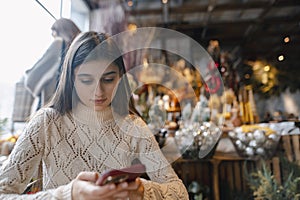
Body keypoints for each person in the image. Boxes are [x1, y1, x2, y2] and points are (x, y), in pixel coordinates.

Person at [0, 31, 189, 199]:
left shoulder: (133, 126)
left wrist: (142, 191)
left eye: (108, 79)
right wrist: (68, 194)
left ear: (121, 77)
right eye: (86, 80)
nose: (98, 92)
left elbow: (179, 193)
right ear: (71, 78)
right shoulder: (46, 123)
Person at [24, 18, 81, 111]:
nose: (52, 35)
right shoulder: (81, 46)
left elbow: (32, 78)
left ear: (61, 31)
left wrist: (28, 74)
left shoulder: (59, 43)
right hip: (76, 103)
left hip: (55, 104)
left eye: (54, 31)